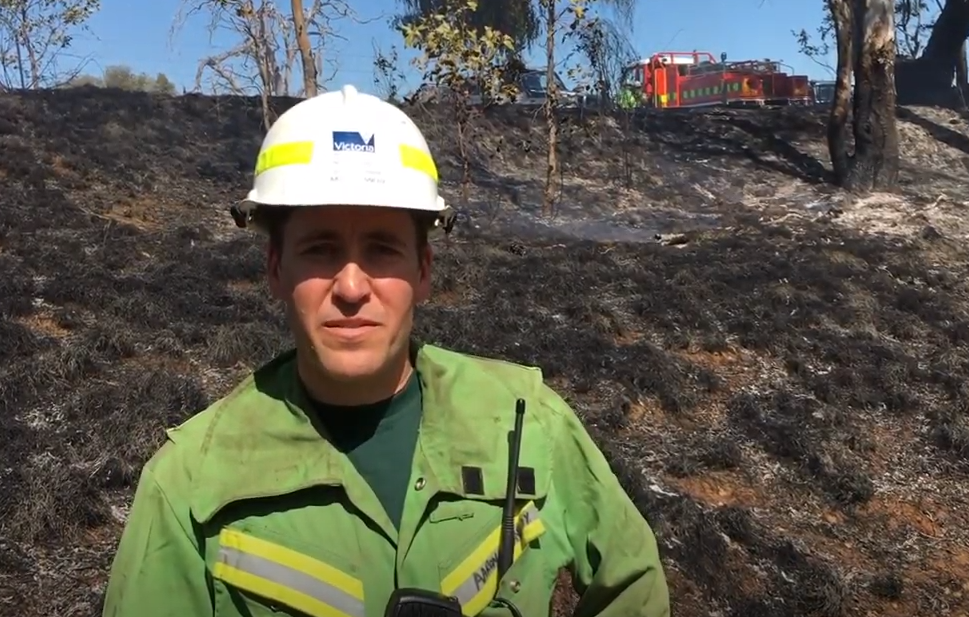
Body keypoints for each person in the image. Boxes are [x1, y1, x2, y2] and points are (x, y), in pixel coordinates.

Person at [102, 84, 670, 617]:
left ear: (423, 271)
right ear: (276, 270)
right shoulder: (191, 482)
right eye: (321, 250)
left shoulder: (527, 422)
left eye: (382, 250)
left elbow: (633, 585)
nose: (351, 288)